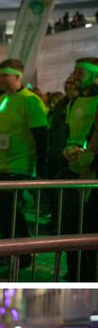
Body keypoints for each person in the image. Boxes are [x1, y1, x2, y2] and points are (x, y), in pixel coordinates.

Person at [0, 59, 49, 245]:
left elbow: (41, 136)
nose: (0, 79)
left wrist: (40, 170)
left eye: (4, 75)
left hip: (20, 166)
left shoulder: (31, 100)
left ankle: (23, 254)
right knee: (6, 213)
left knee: (14, 213)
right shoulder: (2, 99)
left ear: (17, 76)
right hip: (0, 165)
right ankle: (7, 250)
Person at [59, 57, 98, 281]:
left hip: (90, 175)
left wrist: (89, 160)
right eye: (75, 70)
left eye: (81, 71)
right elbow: (68, 133)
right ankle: (74, 272)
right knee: (70, 227)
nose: (75, 75)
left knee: (88, 229)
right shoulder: (73, 101)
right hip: (71, 171)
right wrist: (67, 150)